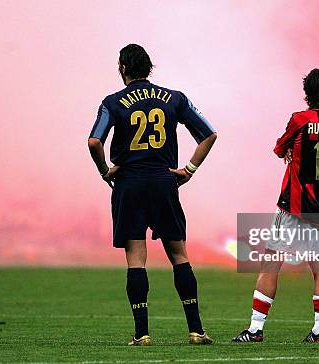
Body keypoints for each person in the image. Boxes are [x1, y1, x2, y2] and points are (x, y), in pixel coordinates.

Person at [88, 44, 217, 346]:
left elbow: (95, 141)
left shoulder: (112, 102)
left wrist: (105, 170)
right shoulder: (174, 98)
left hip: (129, 185)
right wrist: (189, 169)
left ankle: (142, 334)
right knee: (179, 255)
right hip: (164, 182)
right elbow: (209, 133)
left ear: (123, 68)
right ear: (149, 68)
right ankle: (196, 330)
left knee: (136, 259)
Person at [232, 69, 319, 343]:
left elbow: (279, 149)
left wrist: (291, 151)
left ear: (307, 93)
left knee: (271, 263)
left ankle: (255, 329)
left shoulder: (300, 119)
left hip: (294, 206)